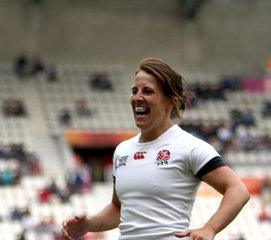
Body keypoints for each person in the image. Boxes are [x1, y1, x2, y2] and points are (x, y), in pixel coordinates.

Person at [61, 58, 250, 240]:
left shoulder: (189, 147)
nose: (138, 97)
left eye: (148, 91)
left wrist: (210, 228)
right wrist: (89, 224)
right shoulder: (122, 151)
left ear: (171, 102)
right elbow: (119, 209)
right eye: (135, 90)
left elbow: (238, 190)